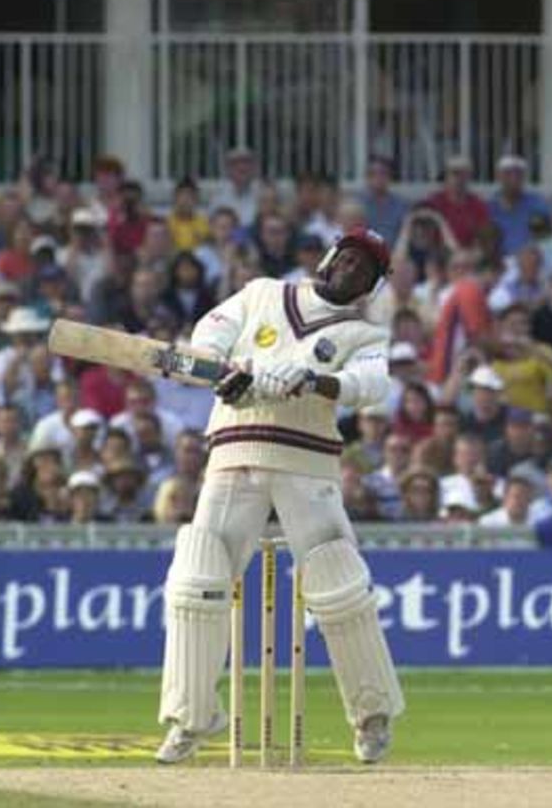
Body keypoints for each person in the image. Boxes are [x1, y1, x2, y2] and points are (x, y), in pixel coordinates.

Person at [155, 228, 403, 766]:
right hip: (234, 452)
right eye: (348, 258)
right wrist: (226, 370)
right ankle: (191, 718)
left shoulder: (364, 334)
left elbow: (370, 386)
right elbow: (210, 334)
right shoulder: (263, 293)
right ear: (332, 256)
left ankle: (372, 716)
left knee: (341, 587)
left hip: (307, 463)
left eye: (365, 269)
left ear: (372, 286)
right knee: (197, 580)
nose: (349, 270)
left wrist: (314, 379)